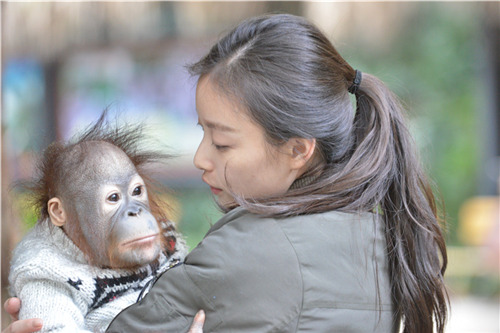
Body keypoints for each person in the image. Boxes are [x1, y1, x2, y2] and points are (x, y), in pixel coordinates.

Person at [4, 13, 448, 333]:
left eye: (222, 142)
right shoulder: (372, 230)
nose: (201, 158)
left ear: (297, 150)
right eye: (202, 134)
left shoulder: (253, 250)